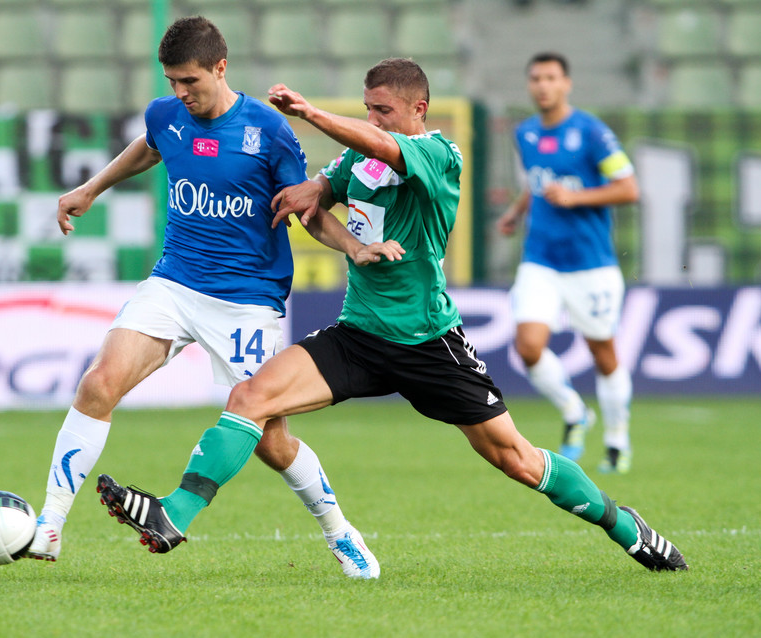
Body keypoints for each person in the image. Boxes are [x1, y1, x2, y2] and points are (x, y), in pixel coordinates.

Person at [95, 58, 688, 574]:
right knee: (249, 399)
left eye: (382, 110)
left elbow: (382, 148)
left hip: (428, 343)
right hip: (360, 335)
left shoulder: (439, 154)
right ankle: (174, 514)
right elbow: (323, 190)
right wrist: (308, 194)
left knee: (516, 459)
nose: (373, 121)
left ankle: (625, 526)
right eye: (367, 110)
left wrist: (312, 115)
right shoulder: (360, 162)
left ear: (417, 108)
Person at [27, 16, 384, 579]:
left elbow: (306, 209)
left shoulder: (268, 131)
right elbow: (150, 147)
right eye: (171, 81)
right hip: (174, 282)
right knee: (98, 384)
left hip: (247, 298)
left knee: (269, 439)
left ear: (221, 68)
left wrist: (354, 250)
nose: (180, 93)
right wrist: (90, 189)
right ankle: (48, 525)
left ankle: (340, 532)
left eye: (189, 81)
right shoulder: (167, 114)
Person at [497, 52, 639, 474]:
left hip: (590, 263)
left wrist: (576, 197)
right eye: (536, 78)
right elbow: (535, 183)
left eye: (551, 78)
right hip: (540, 258)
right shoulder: (524, 134)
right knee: (528, 346)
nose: (543, 85)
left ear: (566, 84)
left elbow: (628, 187)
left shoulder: (592, 133)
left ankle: (617, 439)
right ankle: (575, 412)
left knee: (603, 352)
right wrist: (516, 211)